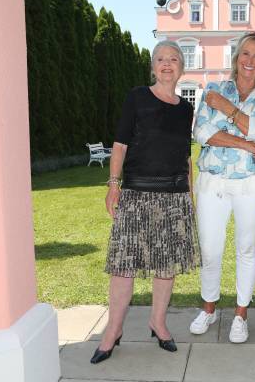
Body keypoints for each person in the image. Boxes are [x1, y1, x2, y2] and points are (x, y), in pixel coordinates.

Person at [91, 40, 199, 364]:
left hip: (175, 197)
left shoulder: (185, 109)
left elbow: (185, 155)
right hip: (136, 195)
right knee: (124, 267)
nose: (167, 64)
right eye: (161, 59)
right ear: (153, 67)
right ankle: (113, 330)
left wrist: (189, 197)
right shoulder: (137, 97)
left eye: (174, 59)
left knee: (165, 267)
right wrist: (113, 185)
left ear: (181, 67)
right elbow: (120, 144)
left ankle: (158, 323)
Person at [189, 32, 255, 343]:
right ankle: (209, 308)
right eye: (246, 54)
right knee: (211, 249)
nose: (250, 61)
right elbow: (201, 132)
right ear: (236, 56)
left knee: (247, 248)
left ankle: (241, 314)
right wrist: (244, 141)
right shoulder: (213, 89)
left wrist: (227, 111)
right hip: (212, 180)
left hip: (251, 183)